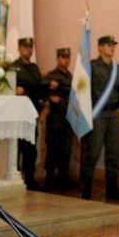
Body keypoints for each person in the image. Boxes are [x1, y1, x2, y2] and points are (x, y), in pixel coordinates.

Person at [81, 35, 119, 200]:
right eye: (108, 45)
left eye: (113, 45)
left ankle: (112, 190)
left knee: (113, 154)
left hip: (113, 117)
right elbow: (83, 92)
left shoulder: (117, 69)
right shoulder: (92, 67)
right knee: (92, 154)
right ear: (100, 48)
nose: (112, 48)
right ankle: (86, 191)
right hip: (97, 115)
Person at [41, 47, 74, 190]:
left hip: (68, 119)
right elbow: (41, 89)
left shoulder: (71, 77)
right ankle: (49, 179)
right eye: (63, 57)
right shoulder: (51, 75)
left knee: (65, 150)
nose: (66, 60)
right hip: (55, 119)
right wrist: (50, 96)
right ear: (58, 59)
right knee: (53, 149)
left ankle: (63, 178)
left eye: (68, 57)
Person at [12, 36, 42, 190]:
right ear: (19, 48)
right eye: (25, 47)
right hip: (18, 113)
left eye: (30, 47)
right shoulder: (13, 67)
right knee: (17, 147)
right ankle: (15, 176)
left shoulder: (35, 68)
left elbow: (40, 86)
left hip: (32, 112)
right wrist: (16, 90)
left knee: (31, 146)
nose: (28, 50)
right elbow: (9, 87)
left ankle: (30, 178)